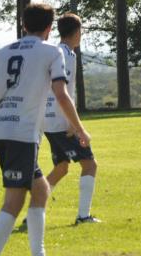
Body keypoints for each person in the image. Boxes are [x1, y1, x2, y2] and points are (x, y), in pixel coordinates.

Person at [0, 2, 91, 256]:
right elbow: (62, 95)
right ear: (50, 29)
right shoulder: (51, 52)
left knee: (40, 190)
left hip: (3, 129)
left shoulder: (3, 52)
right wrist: (80, 129)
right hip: (21, 133)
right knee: (13, 202)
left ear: (23, 25)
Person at [42, 13, 100, 225]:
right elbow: (62, 92)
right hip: (60, 122)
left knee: (62, 167)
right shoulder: (66, 55)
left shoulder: (54, 53)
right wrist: (75, 125)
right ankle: (83, 216)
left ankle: (34, 211)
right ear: (77, 32)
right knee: (90, 164)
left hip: (48, 121)